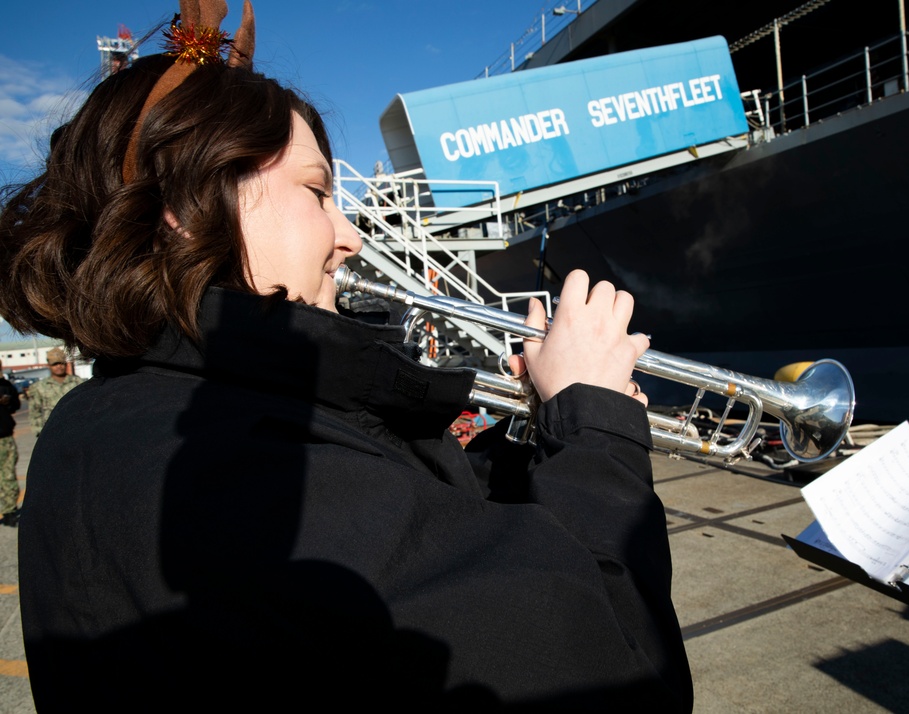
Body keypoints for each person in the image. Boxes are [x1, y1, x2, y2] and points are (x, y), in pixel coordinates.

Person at [0, 1, 691, 709]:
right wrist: (598, 431)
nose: (350, 235)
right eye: (317, 191)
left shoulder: (100, 426)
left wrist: (537, 439)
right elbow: (608, 672)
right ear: (185, 203)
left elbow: (403, 523)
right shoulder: (240, 465)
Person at [28, 348, 84, 435]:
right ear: (49, 365)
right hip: (52, 431)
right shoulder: (39, 387)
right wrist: (39, 431)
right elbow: (35, 411)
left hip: (76, 428)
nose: (59, 366)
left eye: (61, 363)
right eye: (55, 364)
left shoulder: (78, 383)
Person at [0, 360, 21, 527]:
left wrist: (8, 402)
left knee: (8, 477)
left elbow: (16, 404)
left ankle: (9, 512)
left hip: (5, 439)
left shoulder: (5, 385)